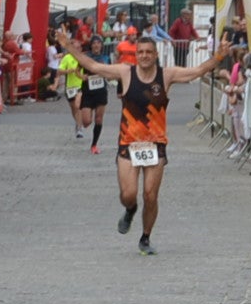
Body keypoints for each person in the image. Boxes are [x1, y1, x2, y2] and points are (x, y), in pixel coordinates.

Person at [59, 27, 225, 255]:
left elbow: (197, 71)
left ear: (156, 54)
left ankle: (145, 237)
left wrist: (218, 57)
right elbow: (94, 67)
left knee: (150, 194)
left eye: (149, 52)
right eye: (141, 52)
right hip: (129, 143)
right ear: (136, 55)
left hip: (155, 144)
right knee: (128, 194)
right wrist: (68, 47)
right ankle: (130, 210)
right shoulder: (126, 72)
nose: (145, 56)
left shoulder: (166, 75)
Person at [56, 40, 87, 140]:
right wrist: (67, 71)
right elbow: (59, 71)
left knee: (78, 107)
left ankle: (79, 128)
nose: (77, 50)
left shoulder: (83, 58)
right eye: (75, 48)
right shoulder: (67, 58)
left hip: (81, 86)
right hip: (70, 87)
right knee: (74, 108)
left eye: (79, 48)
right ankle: (78, 123)